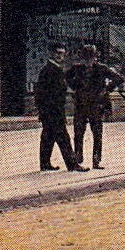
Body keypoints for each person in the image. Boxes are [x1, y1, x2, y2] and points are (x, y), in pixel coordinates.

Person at [67, 43, 123, 169]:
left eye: (90, 58)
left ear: (95, 57)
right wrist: (75, 86)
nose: (88, 61)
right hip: (81, 105)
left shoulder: (102, 68)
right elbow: (67, 77)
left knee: (97, 134)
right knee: (78, 133)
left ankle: (96, 161)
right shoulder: (77, 68)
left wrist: (107, 89)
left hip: (96, 106)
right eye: (86, 58)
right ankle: (78, 157)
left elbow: (119, 78)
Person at [34, 43, 86, 173]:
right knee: (64, 138)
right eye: (57, 53)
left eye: (62, 53)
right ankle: (72, 165)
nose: (59, 56)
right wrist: (44, 110)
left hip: (52, 111)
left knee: (48, 137)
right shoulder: (48, 70)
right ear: (51, 53)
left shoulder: (57, 69)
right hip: (53, 111)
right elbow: (40, 93)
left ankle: (45, 163)